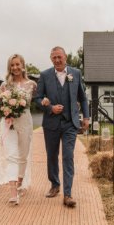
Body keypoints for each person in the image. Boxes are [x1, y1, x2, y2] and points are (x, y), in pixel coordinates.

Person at [34, 46, 89, 208]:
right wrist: (49, 107)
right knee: (52, 155)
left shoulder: (76, 74)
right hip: (51, 123)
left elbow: (83, 98)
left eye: (60, 57)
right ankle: (55, 184)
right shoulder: (44, 75)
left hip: (70, 123)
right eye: (54, 58)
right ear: (51, 59)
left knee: (68, 156)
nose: (57, 60)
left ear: (65, 57)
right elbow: (37, 98)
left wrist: (86, 117)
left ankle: (68, 194)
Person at [0, 54, 37, 205]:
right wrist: (3, 109)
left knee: (23, 156)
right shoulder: (5, 86)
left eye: (18, 64)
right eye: (12, 65)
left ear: (23, 65)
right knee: (11, 155)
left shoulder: (32, 84)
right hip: (9, 124)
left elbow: (36, 101)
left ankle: (19, 183)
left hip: (25, 122)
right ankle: (13, 193)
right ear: (9, 67)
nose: (15, 67)